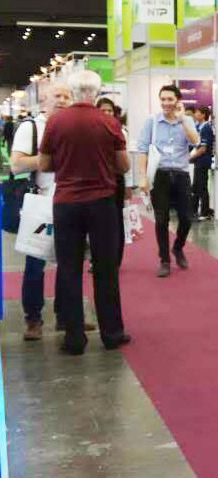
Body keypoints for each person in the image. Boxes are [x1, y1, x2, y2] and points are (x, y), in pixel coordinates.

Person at [38, 70, 131, 355]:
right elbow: (124, 166)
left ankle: (74, 339)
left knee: (69, 269)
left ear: (73, 92)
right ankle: (112, 334)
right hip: (101, 203)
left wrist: (67, 164)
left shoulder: (55, 122)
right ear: (97, 92)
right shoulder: (110, 123)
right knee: (106, 269)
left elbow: (44, 165)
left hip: (66, 203)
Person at [10, 82, 91, 340]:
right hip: (41, 205)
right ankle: (33, 319)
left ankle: (66, 317)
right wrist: (53, 159)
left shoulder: (77, 127)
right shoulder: (31, 127)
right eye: (57, 95)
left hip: (73, 203)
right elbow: (16, 165)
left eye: (67, 96)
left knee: (69, 264)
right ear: (44, 100)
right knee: (35, 265)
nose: (63, 100)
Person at [137, 85, 200, 278]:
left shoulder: (187, 120)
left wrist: (182, 119)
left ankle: (178, 247)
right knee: (161, 219)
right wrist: (143, 176)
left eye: (169, 99)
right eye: (162, 99)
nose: (165, 103)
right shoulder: (152, 122)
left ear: (178, 100)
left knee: (186, 217)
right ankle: (164, 259)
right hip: (160, 175)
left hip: (181, 175)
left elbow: (195, 141)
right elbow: (142, 149)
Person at [97, 97, 133, 267]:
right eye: (103, 110)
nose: (106, 113)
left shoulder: (121, 132)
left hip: (116, 180)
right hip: (96, 181)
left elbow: (127, 161)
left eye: (109, 110)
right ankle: (97, 258)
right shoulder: (91, 130)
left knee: (116, 219)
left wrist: (129, 185)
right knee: (98, 221)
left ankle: (116, 259)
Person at [189, 106, 214, 221]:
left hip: (203, 161)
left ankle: (205, 212)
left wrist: (190, 157)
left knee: (202, 187)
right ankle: (193, 211)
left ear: (203, 114)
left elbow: (203, 149)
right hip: (197, 161)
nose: (195, 114)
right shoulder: (198, 126)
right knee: (195, 187)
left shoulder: (206, 128)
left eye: (197, 112)